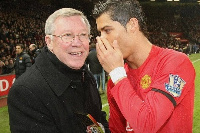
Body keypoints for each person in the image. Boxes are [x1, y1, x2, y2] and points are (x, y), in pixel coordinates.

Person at [93, 0, 196, 132]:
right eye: (99, 33)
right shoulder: (116, 77)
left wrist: (117, 74)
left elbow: (148, 124)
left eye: (107, 30)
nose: (101, 39)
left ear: (132, 25)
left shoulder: (175, 62)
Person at [8, 8, 109, 133]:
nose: (77, 42)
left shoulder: (85, 74)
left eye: (83, 35)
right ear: (49, 42)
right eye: (67, 35)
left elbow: (98, 119)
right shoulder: (26, 91)